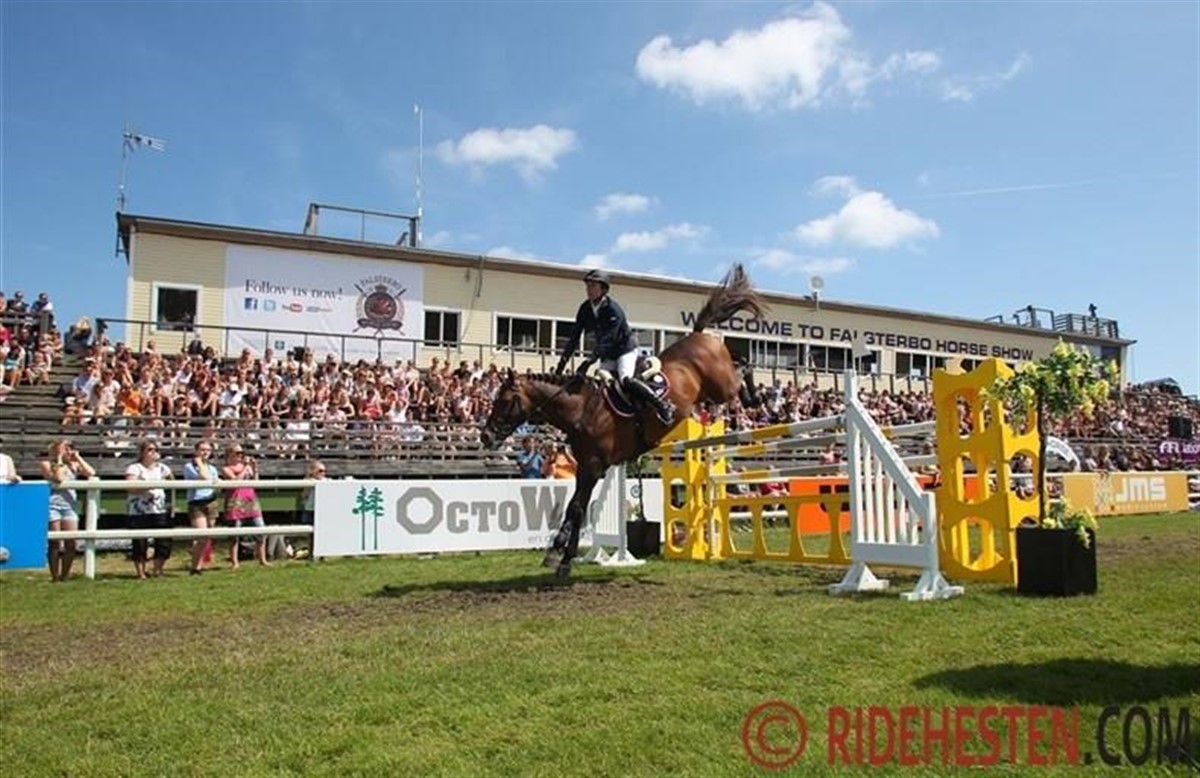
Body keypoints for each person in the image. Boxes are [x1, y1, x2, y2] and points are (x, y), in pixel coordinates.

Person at [554, 269, 675, 425]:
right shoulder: (585, 308)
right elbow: (574, 337)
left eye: (593, 286)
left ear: (603, 289)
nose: (589, 289)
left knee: (625, 380)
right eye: (588, 286)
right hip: (608, 354)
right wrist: (560, 366)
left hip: (624, 350)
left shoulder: (613, 309)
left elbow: (608, 339)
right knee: (598, 387)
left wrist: (588, 361)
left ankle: (662, 406)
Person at [39, 438, 95, 582]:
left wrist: (78, 458)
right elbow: (58, 478)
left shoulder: (73, 465)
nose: (68, 451)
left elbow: (91, 472)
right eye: (65, 448)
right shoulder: (46, 464)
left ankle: (65, 575)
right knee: (55, 542)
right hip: (53, 506)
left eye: (70, 447)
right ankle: (55, 576)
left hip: (70, 506)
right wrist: (58, 458)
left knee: (71, 543)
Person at [124, 439, 174, 579]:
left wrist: (171, 504)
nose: (153, 452)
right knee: (140, 543)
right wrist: (151, 485)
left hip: (160, 509)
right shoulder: (134, 468)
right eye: (150, 449)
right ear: (142, 452)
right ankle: (141, 573)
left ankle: (158, 570)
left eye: (156, 450)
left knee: (163, 542)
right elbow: (131, 487)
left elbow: (172, 483)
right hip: (139, 510)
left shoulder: (163, 468)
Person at [221, 444, 269, 569]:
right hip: (235, 502)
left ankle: (262, 559)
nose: (240, 455)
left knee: (261, 530)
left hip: (250, 501)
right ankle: (235, 562)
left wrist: (255, 468)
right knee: (235, 534)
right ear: (229, 454)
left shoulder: (246, 467)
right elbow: (235, 481)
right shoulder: (226, 468)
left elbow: (255, 482)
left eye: (241, 453)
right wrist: (245, 468)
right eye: (237, 453)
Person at [183, 439, 220, 575]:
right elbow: (205, 477)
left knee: (207, 536)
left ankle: (199, 564)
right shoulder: (189, 466)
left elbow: (215, 482)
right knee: (201, 536)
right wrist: (198, 462)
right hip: (197, 503)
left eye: (208, 450)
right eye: (202, 450)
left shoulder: (212, 468)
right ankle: (195, 567)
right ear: (196, 451)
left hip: (211, 502)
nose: (205, 452)